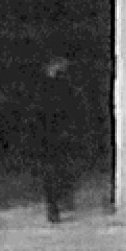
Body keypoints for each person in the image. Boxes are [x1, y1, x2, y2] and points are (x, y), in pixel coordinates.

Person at [34, 52, 86, 222]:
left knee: (55, 171)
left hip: (53, 135)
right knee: (55, 171)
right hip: (55, 135)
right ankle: (55, 205)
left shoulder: (53, 86)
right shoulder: (59, 86)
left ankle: (56, 205)